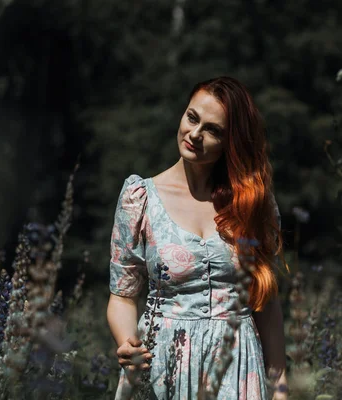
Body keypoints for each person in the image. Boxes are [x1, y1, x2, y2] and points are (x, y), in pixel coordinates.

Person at [106, 76, 288, 400]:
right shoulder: (140, 198)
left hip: (237, 365)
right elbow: (122, 295)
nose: (194, 134)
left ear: (231, 142)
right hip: (163, 363)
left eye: (213, 130)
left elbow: (266, 302)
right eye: (192, 117)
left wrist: (280, 388)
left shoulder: (251, 202)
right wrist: (126, 342)